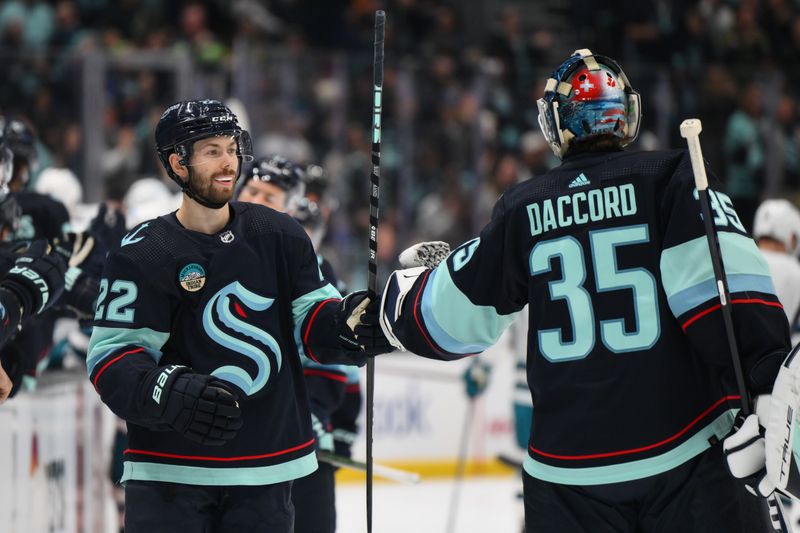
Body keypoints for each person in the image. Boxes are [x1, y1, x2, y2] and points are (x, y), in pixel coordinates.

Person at [377, 49, 789, 532]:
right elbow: (730, 299)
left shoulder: (521, 208)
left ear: (557, 123)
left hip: (567, 475)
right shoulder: (671, 178)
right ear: (626, 114)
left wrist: (397, 307)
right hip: (688, 453)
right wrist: (767, 389)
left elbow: (449, 318)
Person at [85, 99, 389, 533]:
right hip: (169, 475)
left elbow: (313, 317)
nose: (229, 162)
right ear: (178, 163)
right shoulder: (143, 252)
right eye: (212, 151)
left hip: (265, 474)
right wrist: (168, 391)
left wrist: (348, 325)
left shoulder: (279, 234)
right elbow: (111, 359)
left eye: (232, 148)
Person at [236, 156, 353, 533]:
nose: (255, 200)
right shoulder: (207, 250)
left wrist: (315, 412)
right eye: (251, 190)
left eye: (268, 196)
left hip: (290, 430)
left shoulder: (308, 266)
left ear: (290, 209)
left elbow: (330, 359)